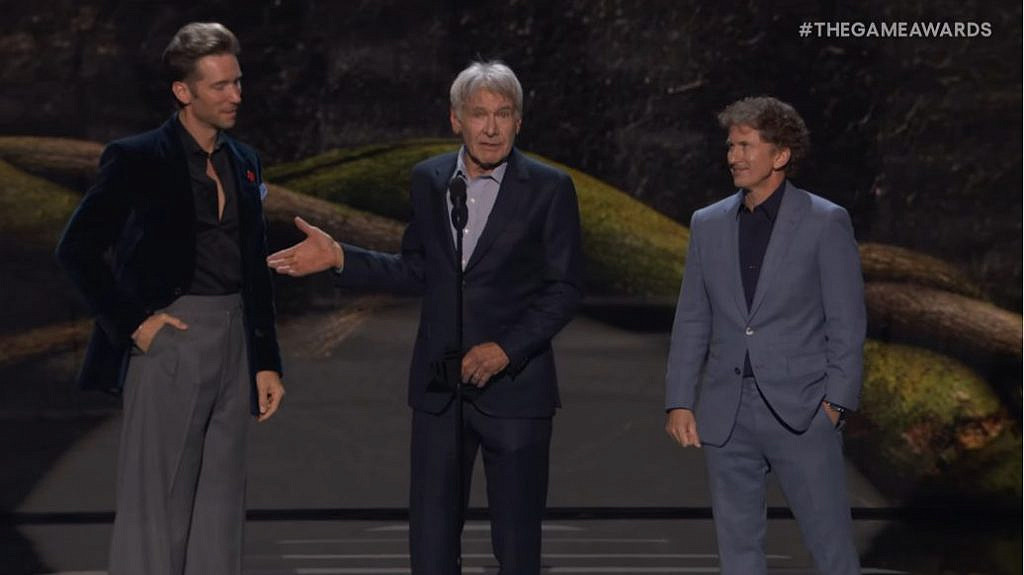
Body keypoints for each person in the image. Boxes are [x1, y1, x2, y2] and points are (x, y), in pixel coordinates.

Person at [267, 60, 583, 574]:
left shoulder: (550, 188)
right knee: (432, 544)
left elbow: (564, 288)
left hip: (517, 391)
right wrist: (342, 258)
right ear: (455, 119)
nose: (492, 127)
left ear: (520, 121)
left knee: (518, 545)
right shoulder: (430, 179)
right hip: (440, 391)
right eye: (479, 114)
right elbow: (418, 270)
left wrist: (505, 348)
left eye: (504, 114)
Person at [55, 22, 284, 575]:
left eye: (237, 82)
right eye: (219, 86)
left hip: (234, 342)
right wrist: (136, 324)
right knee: (156, 506)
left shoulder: (245, 159)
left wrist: (266, 361)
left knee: (221, 504)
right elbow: (78, 249)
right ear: (184, 91)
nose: (235, 96)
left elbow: (252, 268)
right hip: (171, 340)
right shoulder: (137, 158)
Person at [664, 96, 865, 574]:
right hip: (727, 411)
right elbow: (693, 317)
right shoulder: (708, 224)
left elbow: (847, 320)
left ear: (780, 155)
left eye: (746, 145)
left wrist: (835, 404)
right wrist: (679, 400)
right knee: (738, 554)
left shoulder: (824, 221)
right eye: (731, 145)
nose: (734, 156)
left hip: (803, 409)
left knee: (831, 548)